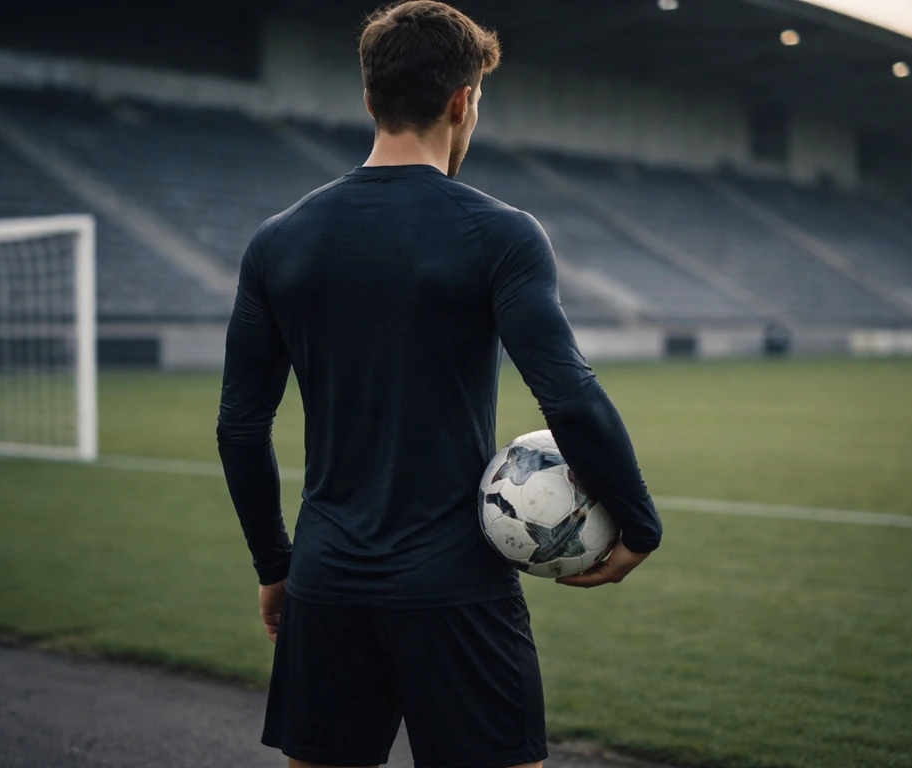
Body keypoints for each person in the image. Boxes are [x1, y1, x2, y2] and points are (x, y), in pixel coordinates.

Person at [216, 3, 662, 767]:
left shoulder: (278, 240)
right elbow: (568, 392)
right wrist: (639, 521)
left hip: (326, 582)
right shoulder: (499, 233)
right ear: (463, 102)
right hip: (455, 586)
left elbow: (240, 428)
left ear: (369, 100)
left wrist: (275, 566)